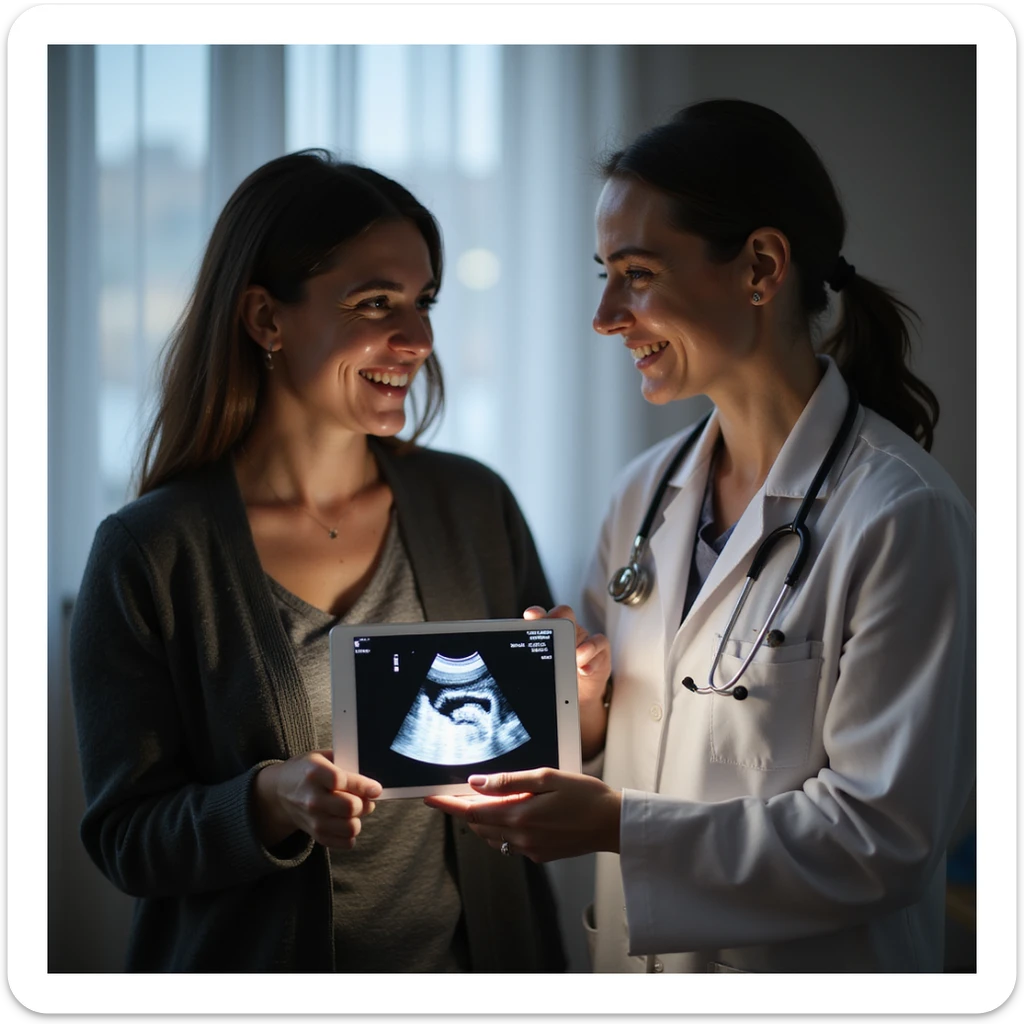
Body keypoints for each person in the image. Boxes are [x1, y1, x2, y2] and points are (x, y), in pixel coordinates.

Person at [425, 99, 977, 974]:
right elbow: (647, 726)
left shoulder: (899, 514)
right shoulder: (644, 494)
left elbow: (883, 840)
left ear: (761, 267)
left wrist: (617, 826)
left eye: (637, 273)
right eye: (604, 274)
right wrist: (587, 702)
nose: (606, 314)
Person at [68, 150, 566, 974]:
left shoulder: (474, 504)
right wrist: (265, 801)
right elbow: (126, 839)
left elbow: (547, 752)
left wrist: (578, 695)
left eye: (423, 302)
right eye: (376, 302)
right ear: (266, 319)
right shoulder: (150, 552)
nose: (419, 339)